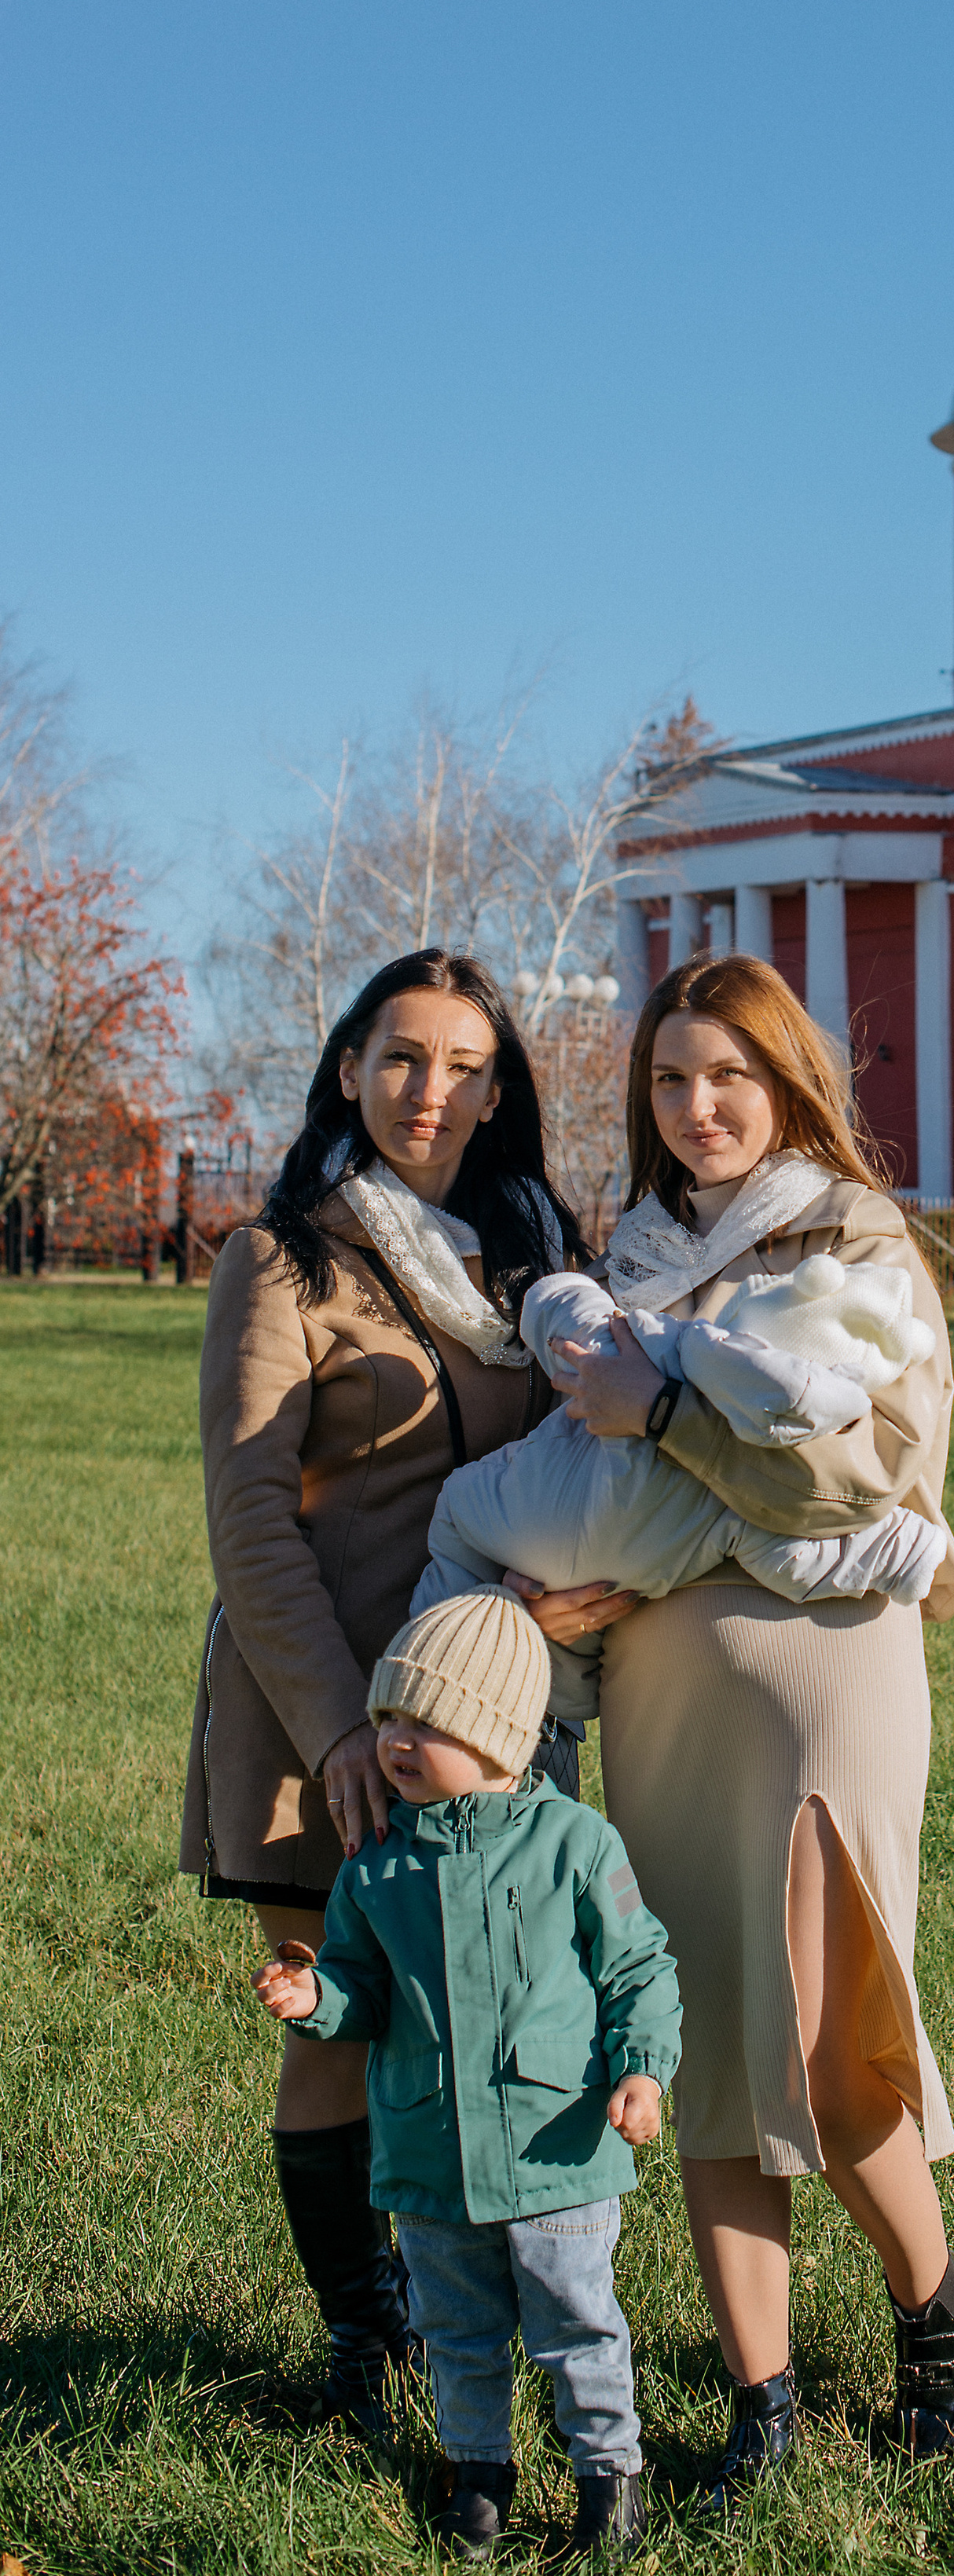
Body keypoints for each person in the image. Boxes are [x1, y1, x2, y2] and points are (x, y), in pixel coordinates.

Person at [184, 949, 642, 2430]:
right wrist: (334, 1734)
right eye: (399, 1057)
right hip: (319, 1710)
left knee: (502, 2019)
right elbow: (251, 1519)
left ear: (499, 1088)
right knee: (350, 2028)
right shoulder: (285, 1262)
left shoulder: (528, 1270)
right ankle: (361, 2350)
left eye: (461, 1065)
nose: (426, 1091)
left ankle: (497, 2333)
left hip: (498, 1729)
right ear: (346, 1068)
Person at [554, 951, 954, 2507]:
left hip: (829, 1677)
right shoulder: (635, 1253)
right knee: (704, 2044)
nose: (696, 1106)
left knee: (827, 2028)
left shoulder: (855, 1244)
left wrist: (662, 1416)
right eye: (669, 1079)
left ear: (785, 1080)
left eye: (727, 1073)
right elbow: (586, 1483)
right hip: (666, 1690)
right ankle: (760, 2402)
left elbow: (858, 1484)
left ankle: (933, 2312)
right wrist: (567, 1577)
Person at [252, 1591, 683, 2563]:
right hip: (431, 2157)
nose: (395, 1742)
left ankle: (608, 2482)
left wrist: (643, 2072)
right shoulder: (376, 1872)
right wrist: (316, 1997)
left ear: (497, 1736)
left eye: (425, 1721)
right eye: (386, 1717)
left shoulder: (576, 1843)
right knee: (458, 2330)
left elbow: (639, 1969)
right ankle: (478, 2477)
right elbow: (365, 1992)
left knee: (576, 2323)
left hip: (556, 2151)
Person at [410, 1262, 951, 1726]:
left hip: (547, 1512)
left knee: (456, 1517)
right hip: (608, 1579)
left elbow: (576, 1320)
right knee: (565, 1678)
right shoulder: (738, 1498)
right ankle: (543, 1691)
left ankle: (420, 1680)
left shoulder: (668, 1347)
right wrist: (911, 1552)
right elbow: (795, 1556)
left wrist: (544, 1300)